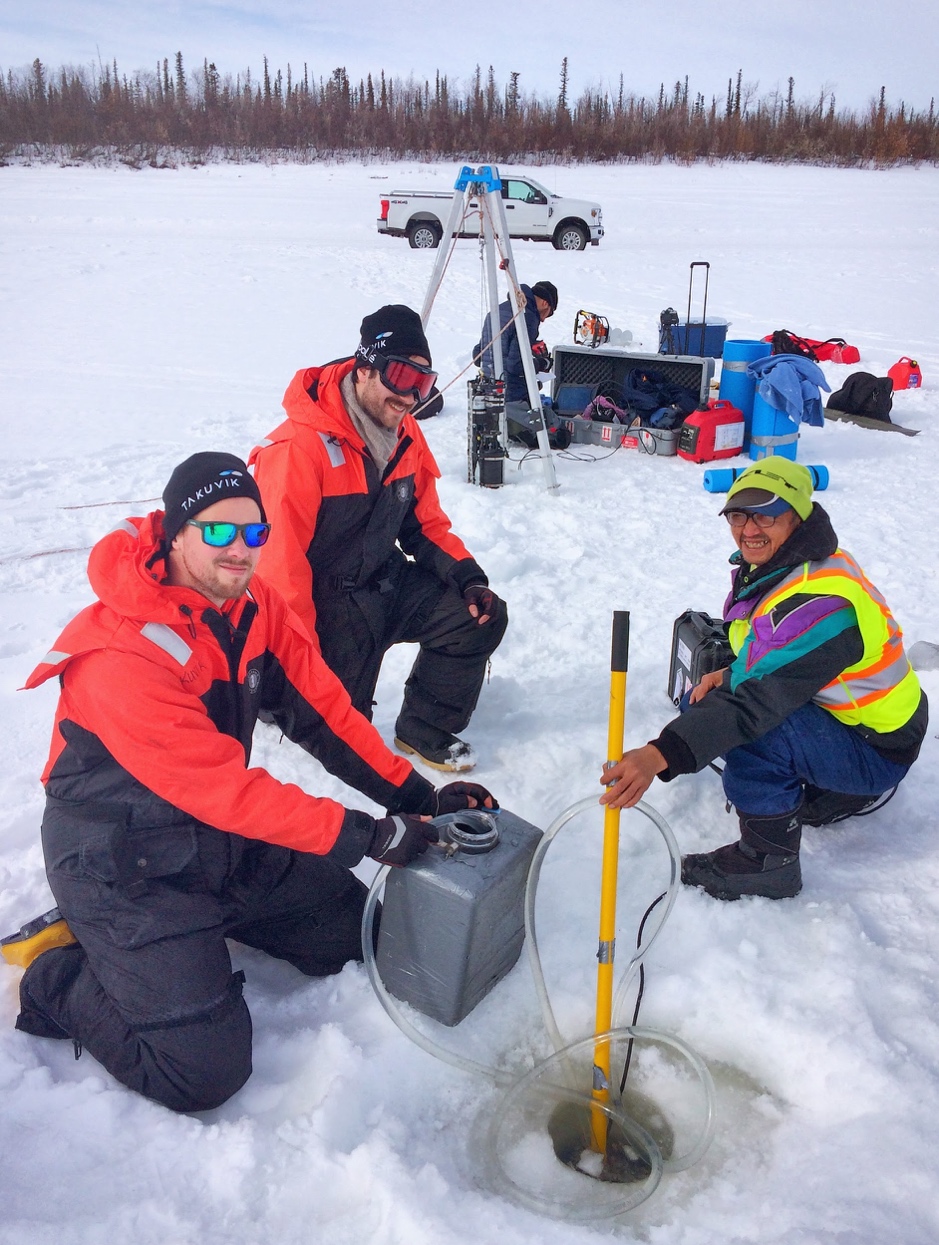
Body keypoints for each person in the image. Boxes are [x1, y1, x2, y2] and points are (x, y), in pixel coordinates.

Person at [1, 453, 496, 1113]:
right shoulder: (123, 655)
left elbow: (323, 714)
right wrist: (369, 834)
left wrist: (416, 797)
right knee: (202, 1071)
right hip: (120, 858)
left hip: (216, 837)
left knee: (352, 932)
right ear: (175, 532)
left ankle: (170, 941)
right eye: (217, 531)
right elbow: (223, 788)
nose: (238, 550)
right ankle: (58, 973)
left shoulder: (248, 603)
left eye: (253, 534)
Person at [600, 457, 927, 901]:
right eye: (739, 515)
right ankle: (821, 786)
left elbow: (756, 705)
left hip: (877, 748)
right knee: (706, 705)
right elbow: (775, 649)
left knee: (751, 732)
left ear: (797, 515)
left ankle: (767, 862)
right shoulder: (791, 564)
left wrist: (661, 754)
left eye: (767, 515)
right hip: (859, 721)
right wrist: (730, 672)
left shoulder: (823, 601)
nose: (749, 529)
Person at [250, 304, 507, 773]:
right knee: (341, 730)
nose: (411, 396)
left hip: (380, 584)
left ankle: (423, 726)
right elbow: (277, 572)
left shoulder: (404, 434)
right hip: (323, 605)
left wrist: (468, 577)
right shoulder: (298, 450)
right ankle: (274, 701)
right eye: (401, 377)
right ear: (364, 368)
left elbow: (425, 523)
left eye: (423, 383)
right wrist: (299, 662)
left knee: (478, 618)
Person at [474, 279, 558, 408]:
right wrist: (541, 363)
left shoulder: (497, 311)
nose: (543, 319)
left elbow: (478, 355)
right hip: (508, 391)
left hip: (486, 387)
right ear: (545, 303)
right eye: (548, 314)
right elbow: (515, 365)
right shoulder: (528, 317)